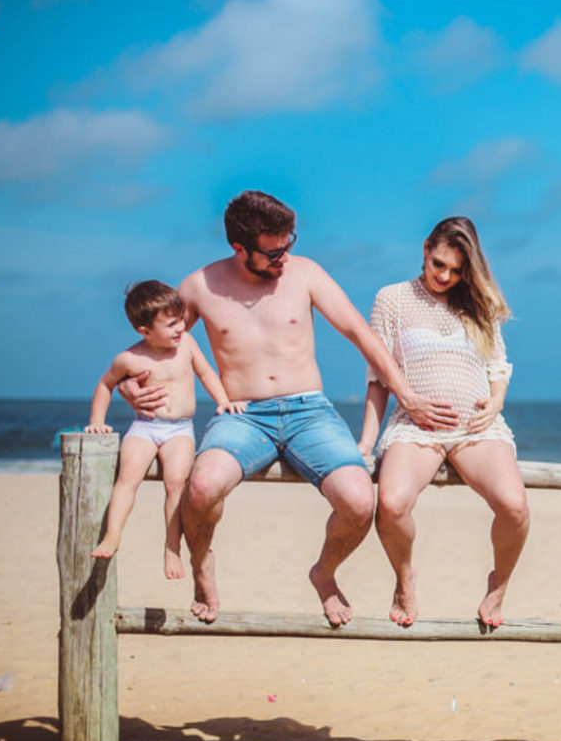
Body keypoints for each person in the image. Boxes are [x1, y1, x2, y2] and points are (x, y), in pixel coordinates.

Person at [120, 191, 458, 626]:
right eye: (273, 251)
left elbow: (360, 333)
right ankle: (202, 564)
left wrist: (406, 395)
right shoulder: (199, 287)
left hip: (309, 411)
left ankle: (324, 573)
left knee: (359, 502)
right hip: (243, 416)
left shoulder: (305, 273)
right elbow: (157, 345)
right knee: (201, 486)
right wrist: (129, 385)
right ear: (240, 248)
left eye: (289, 244)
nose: (284, 257)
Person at [360, 217, 528, 629]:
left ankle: (499, 585)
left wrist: (496, 402)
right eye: (439, 264)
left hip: (477, 430)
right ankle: (405, 578)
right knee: (392, 505)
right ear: (425, 249)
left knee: (514, 507)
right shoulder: (392, 299)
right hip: (416, 427)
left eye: (457, 270)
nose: (446, 277)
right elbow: (378, 376)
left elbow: (497, 364)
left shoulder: (478, 303)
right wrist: (365, 444)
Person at [85, 280, 245, 578]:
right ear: (144, 331)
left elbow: (206, 372)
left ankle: (172, 547)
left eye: (181, 319)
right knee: (127, 478)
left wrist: (224, 401)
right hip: (144, 427)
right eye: (171, 324)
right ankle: (113, 534)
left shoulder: (187, 345)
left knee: (176, 483)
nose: (180, 327)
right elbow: (105, 385)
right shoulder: (129, 358)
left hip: (180, 430)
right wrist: (97, 420)